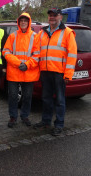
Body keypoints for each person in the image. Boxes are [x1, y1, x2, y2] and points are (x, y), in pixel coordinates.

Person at [33, 7, 77, 136]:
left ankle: (59, 124)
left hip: (59, 73)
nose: (52, 17)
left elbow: (72, 55)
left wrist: (68, 74)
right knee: (46, 98)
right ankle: (46, 121)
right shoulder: (42, 32)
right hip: (45, 71)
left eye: (54, 15)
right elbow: (36, 51)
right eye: (50, 15)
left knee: (59, 100)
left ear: (60, 17)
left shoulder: (68, 33)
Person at [2, 12, 40, 128]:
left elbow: (37, 54)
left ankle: (25, 116)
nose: (23, 22)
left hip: (29, 72)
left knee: (27, 96)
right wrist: (18, 63)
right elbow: (6, 52)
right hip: (14, 71)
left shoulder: (35, 36)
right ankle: (13, 117)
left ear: (29, 22)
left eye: (25, 20)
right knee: (13, 96)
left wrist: (27, 65)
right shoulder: (13, 36)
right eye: (21, 20)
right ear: (18, 23)